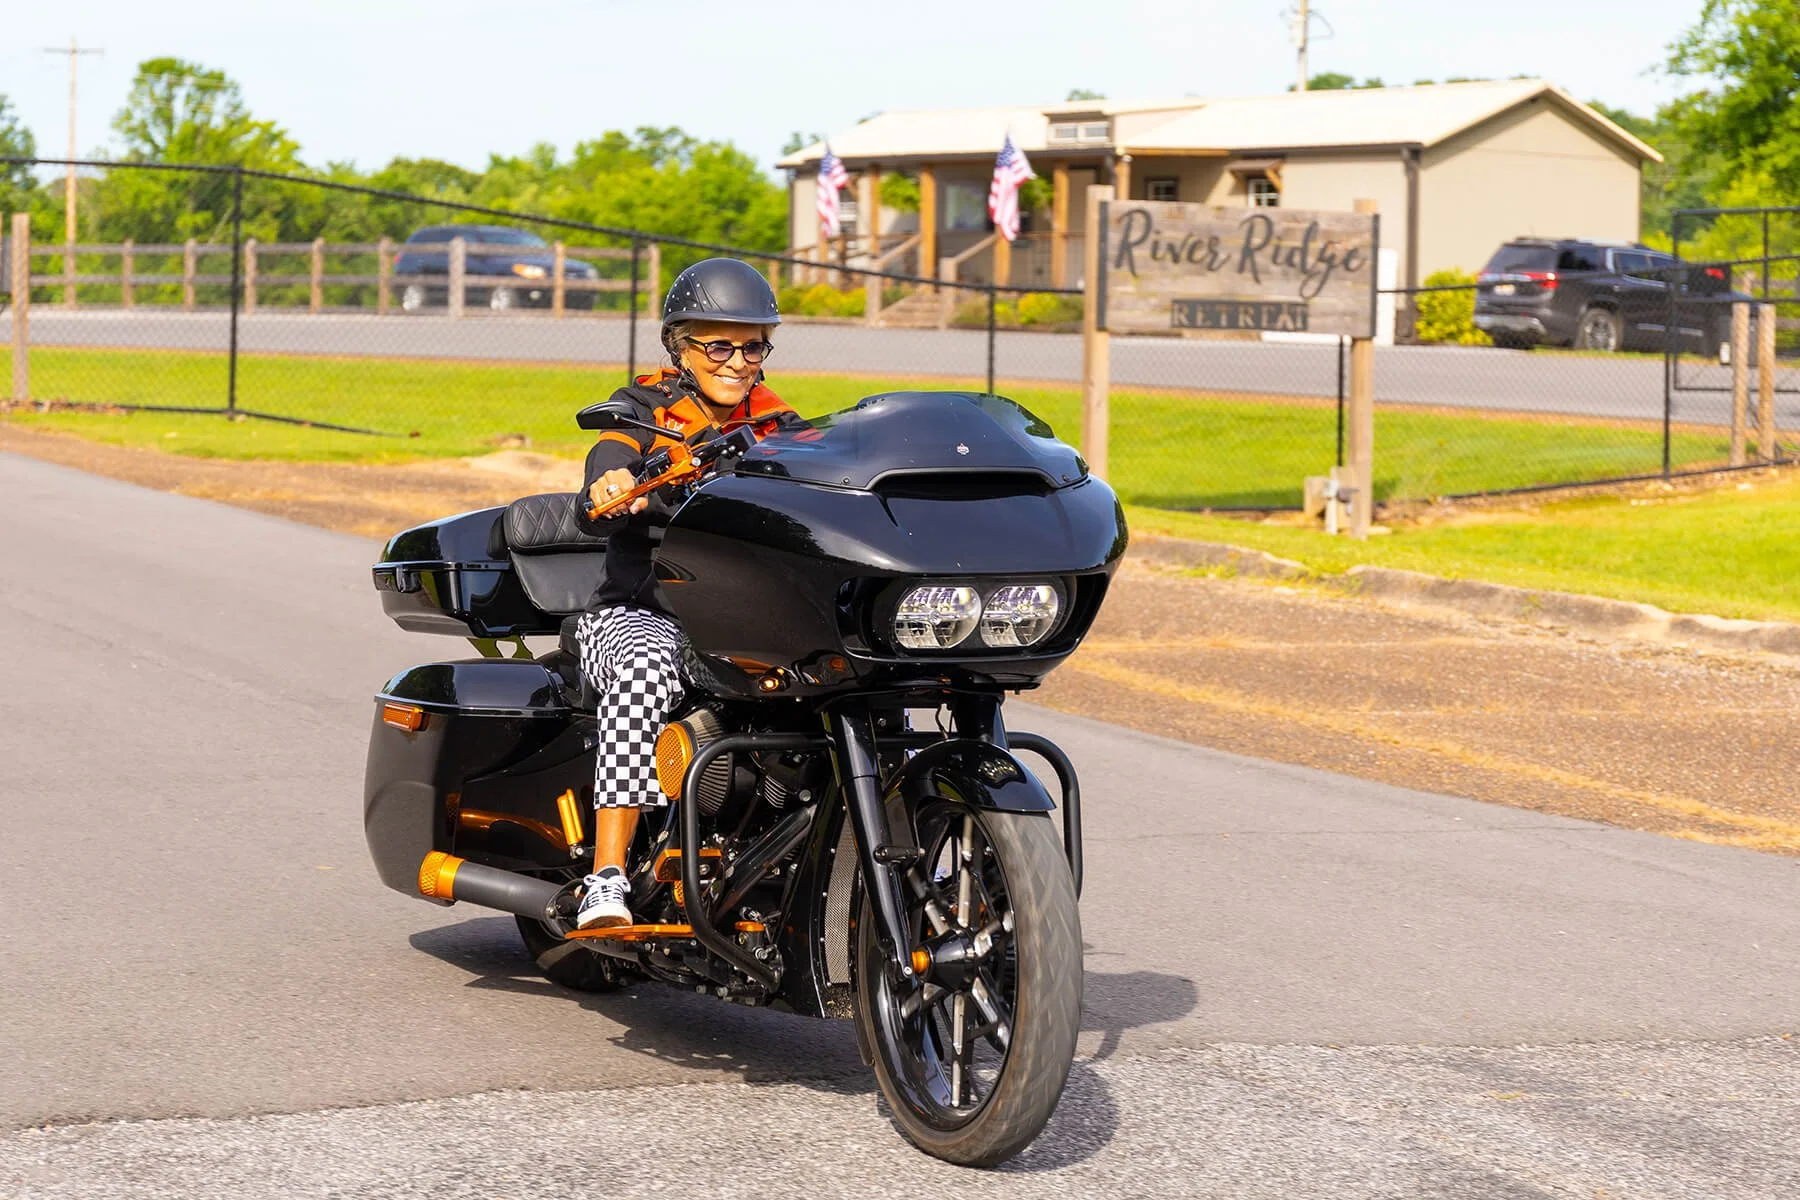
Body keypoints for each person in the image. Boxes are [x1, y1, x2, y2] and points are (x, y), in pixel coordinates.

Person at [571, 257, 799, 929]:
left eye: (752, 344)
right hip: (640, 612)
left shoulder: (779, 421)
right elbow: (610, 455)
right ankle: (606, 877)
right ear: (679, 345)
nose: (738, 360)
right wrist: (613, 484)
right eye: (719, 344)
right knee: (644, 666)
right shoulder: (645, 406)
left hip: (737, 618)